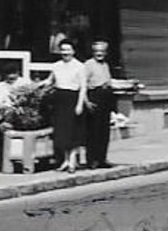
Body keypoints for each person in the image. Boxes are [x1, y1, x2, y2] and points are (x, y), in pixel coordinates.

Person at [45, 40, 86, 172]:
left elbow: (83, 87)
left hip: (73, 99)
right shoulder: (56, 66)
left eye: (68, 50)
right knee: (62, 132)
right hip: (59, 99)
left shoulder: (79, 66)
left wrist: (79, 105)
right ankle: (65, 160)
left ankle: (73, 161)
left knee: (73, 131)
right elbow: (50, 81)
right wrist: (37, 85)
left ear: (73, 51)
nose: (65, 53)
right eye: (63, 50)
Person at [79, 40, 117, 169]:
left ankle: (102, 158)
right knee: (93, 131)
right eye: (96, 51)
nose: (99, 54)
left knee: (104, 130)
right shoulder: (89, 64)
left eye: (101, 51)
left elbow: (108, 81)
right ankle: (92, 160)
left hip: (105, 97)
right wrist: (86, 101)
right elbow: (83, 84)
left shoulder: (105, 65)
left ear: (105, 52)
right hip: (94, 96)